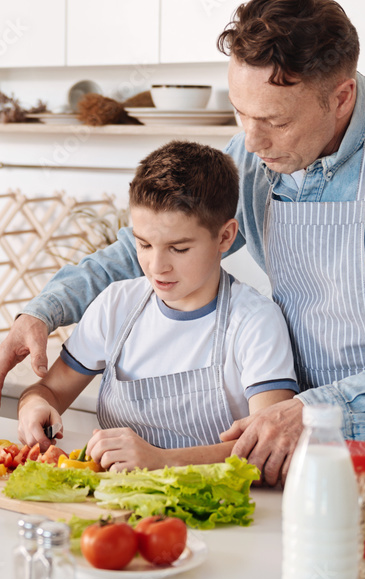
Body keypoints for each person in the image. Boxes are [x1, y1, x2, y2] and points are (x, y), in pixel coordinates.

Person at [0, 0, 365, 514]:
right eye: (241, 113)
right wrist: (45, 309)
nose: (253, 142)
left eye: (276, 122)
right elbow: (150, 245)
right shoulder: (256, 152)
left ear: (341, 97)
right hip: (304, 467)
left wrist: (314, 411)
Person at [17, 141, 299, 472]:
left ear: (225, 237)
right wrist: (33, 405)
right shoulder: (116, 305)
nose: (156, 266)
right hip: (116, 506)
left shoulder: (255, 321)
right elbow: (48, 390)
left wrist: (162, 461)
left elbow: (270, 445)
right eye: (144, 244)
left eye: (178, 248)